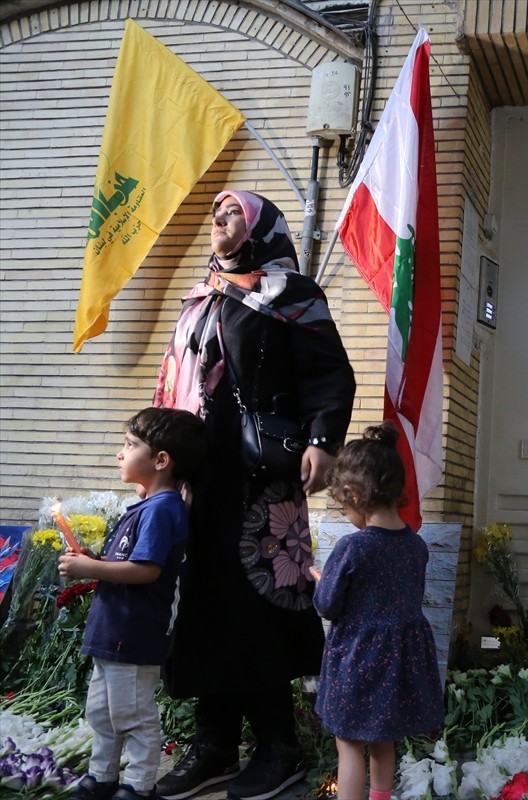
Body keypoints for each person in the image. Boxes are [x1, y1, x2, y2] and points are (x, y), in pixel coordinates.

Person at [153, 191, 356, 800]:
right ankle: (213, 746)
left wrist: (322, 440)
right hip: (202, 480)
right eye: (215, 215)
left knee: (259, 609)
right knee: (206, 605)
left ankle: (278, 747)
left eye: (232, 212)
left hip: (264, 481)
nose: (219, 221)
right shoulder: (202, 298)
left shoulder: (291, 295)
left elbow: (329, 373)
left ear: (261, 227)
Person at [60, 407, 207, 800]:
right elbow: (128, 564)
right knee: (103, 713)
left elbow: (145, 571)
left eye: (130, 445)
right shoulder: (147, 507)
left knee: (134, 716)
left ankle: (139, 786)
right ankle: (102, 776)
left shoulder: (162, 510)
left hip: (135, 634)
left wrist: (91, 567)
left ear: (161, 460)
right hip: (113, 631)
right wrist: (97, 562)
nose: (120, 454)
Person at [310, 423, 444, 800]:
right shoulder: (416, 545)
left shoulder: (353, 548)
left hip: (358, 656)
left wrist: (323, 581)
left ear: (352, 494)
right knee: (385, 740)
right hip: (399, 660)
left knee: (349, 742)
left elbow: (328, 605)